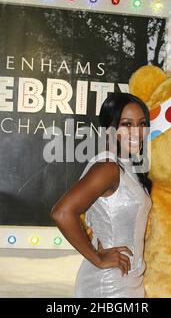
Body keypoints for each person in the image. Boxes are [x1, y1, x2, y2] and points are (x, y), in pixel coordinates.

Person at [50, 92, 153, 298]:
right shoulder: (107, 167)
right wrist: (97, 258)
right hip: (108, 284)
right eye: (127, 124)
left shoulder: (130, 168)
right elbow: (62, 213)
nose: (137, 132)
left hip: (129, 280)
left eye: (142, 124)